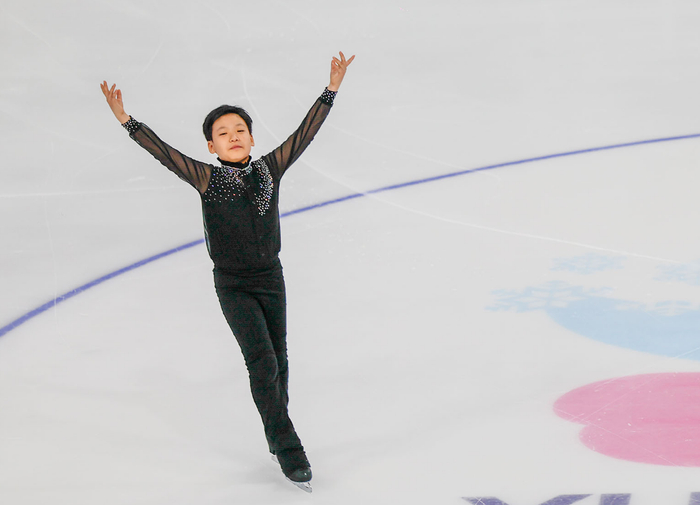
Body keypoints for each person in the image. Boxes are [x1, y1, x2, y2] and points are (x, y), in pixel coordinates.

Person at [100, 51, 355, 491]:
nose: (233, 137)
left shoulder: (270, 169)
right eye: (222, 133)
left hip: (271, 278)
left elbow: (305, 133)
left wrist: (330, 90)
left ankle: (275, 431)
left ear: (252, 139)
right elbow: (164, 153)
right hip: (234, 285)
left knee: (280, 361)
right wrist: (126, 120)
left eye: (239, 130)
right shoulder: (206, 178)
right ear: (211, 147)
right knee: (262, 363)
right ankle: (289, 447)